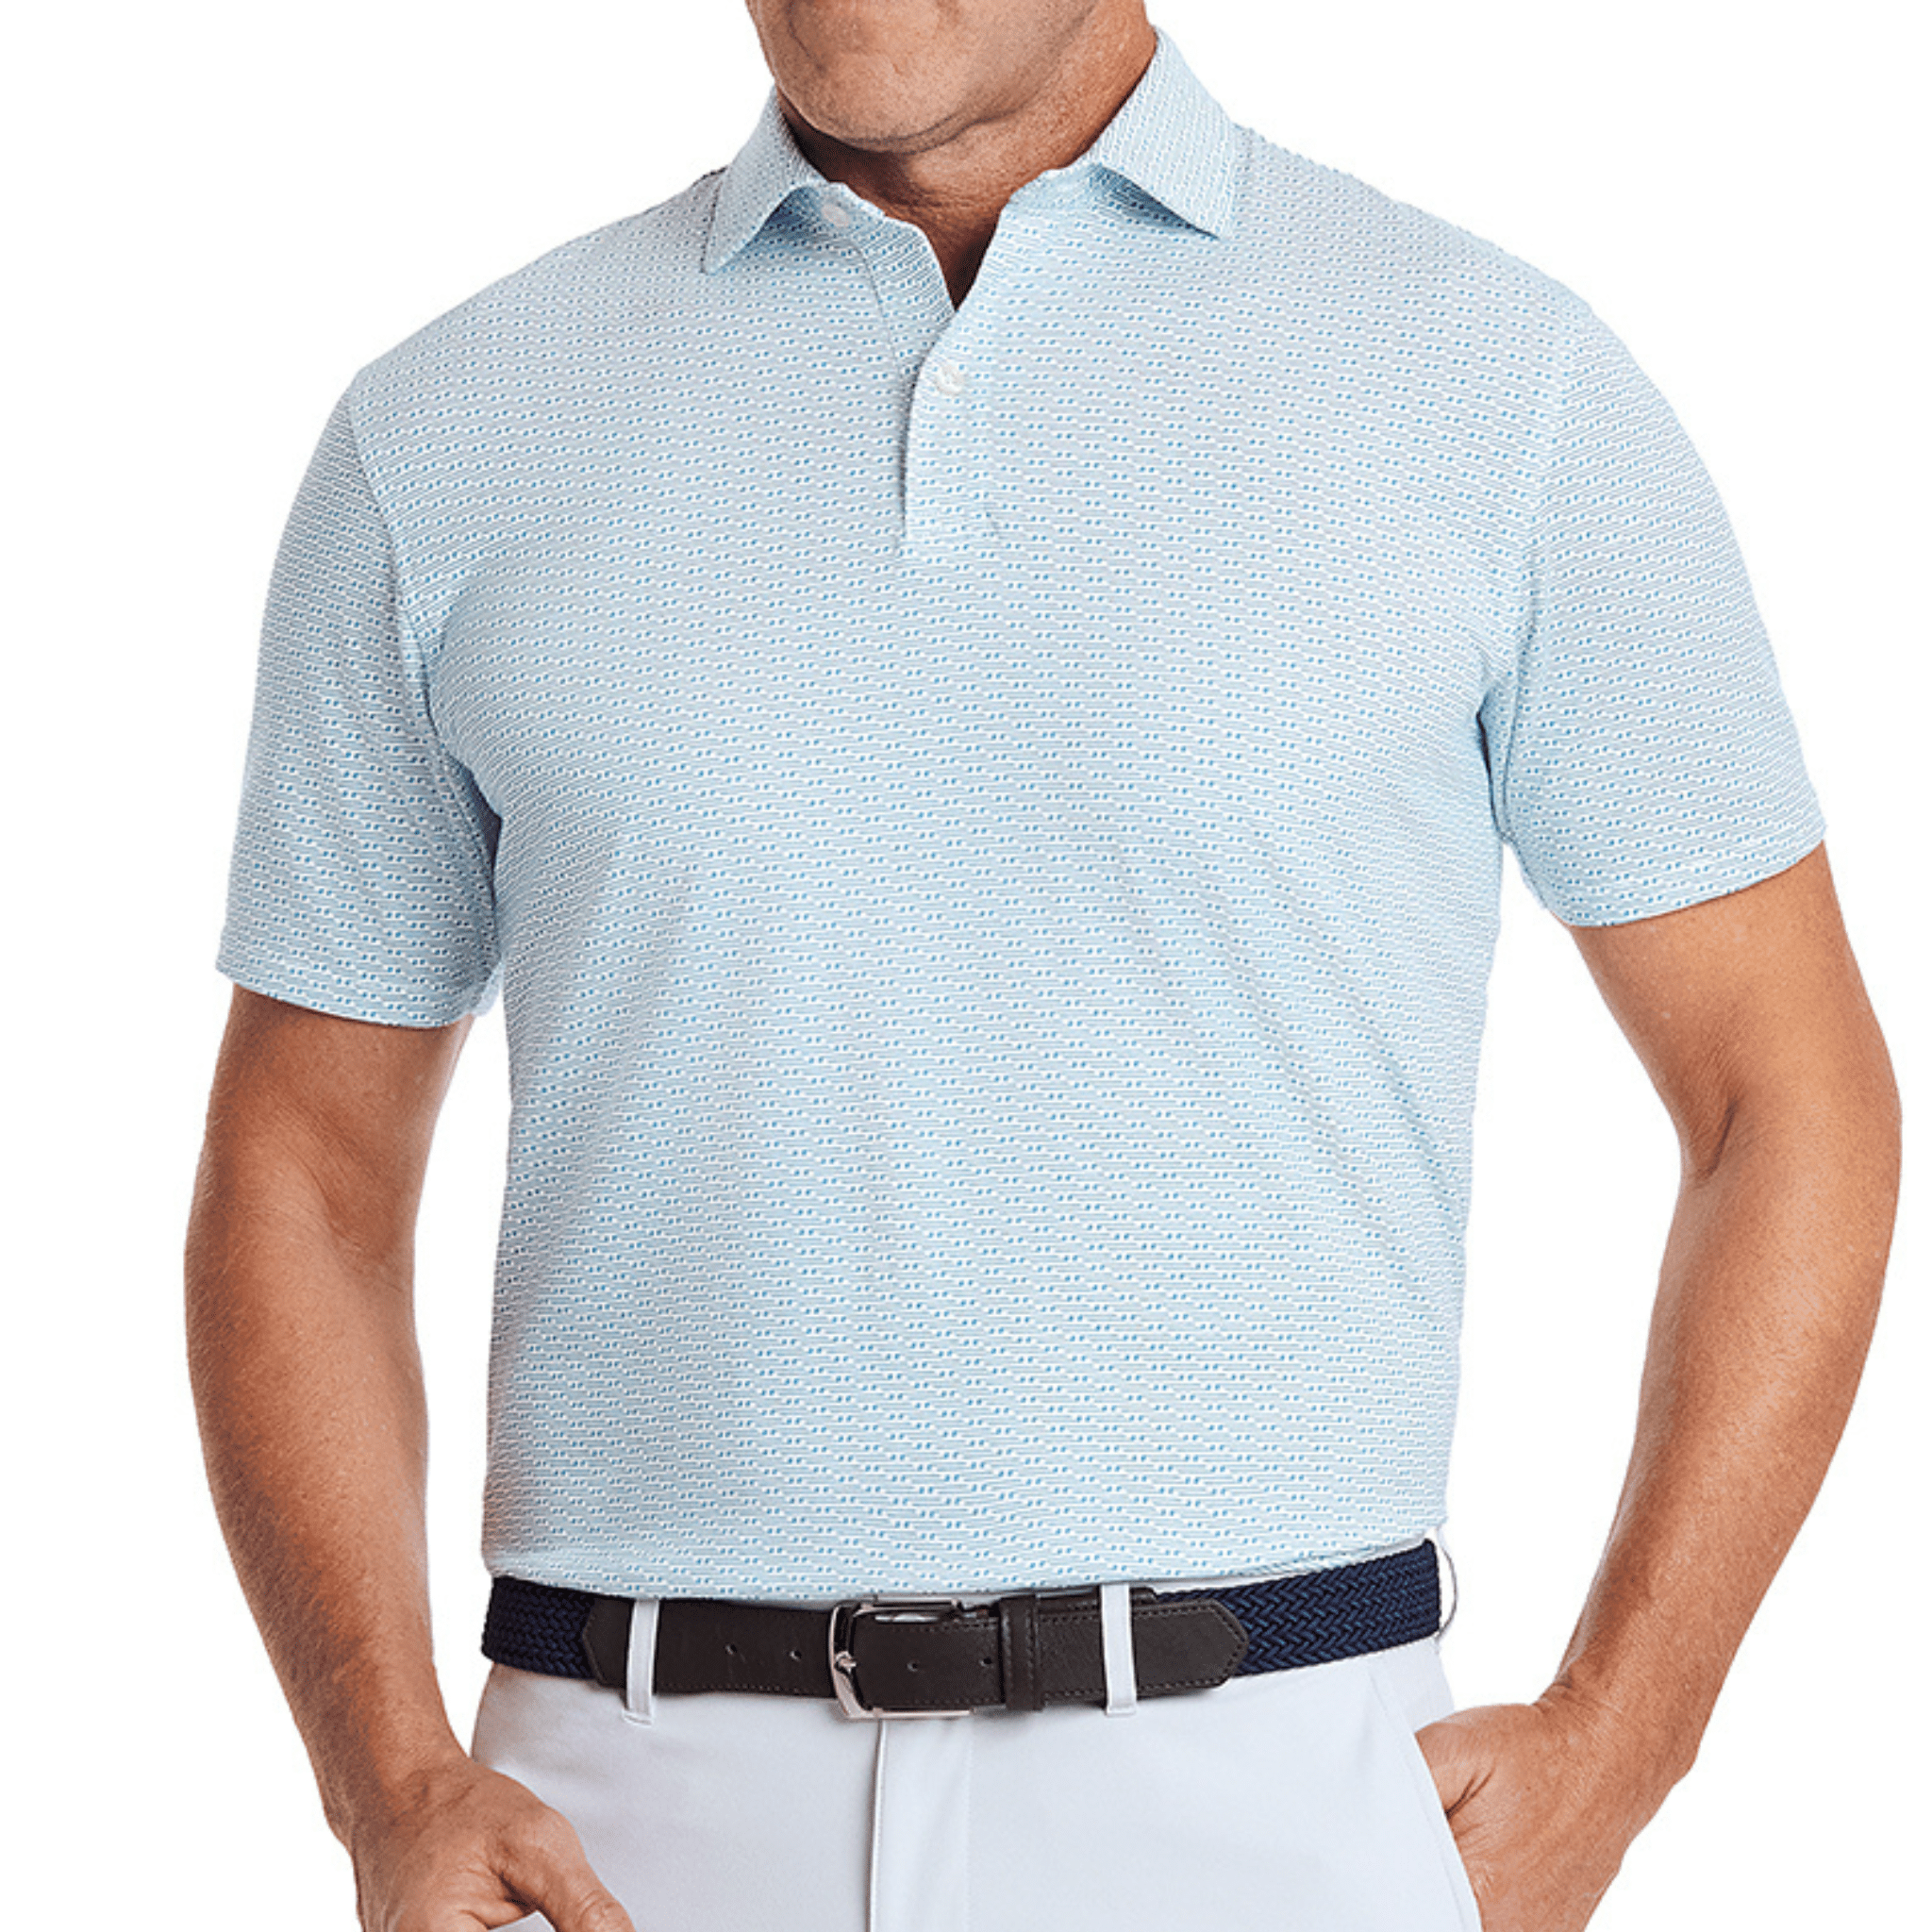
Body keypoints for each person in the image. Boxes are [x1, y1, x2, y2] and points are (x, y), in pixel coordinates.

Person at [184, 4, 1901, 1929]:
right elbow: (305, 1172)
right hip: (627, 1827)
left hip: (1270, 1797)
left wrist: (1626, 1733)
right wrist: (385, 1776)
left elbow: (1784, 1096)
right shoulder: (449, 431)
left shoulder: (1496, 387)